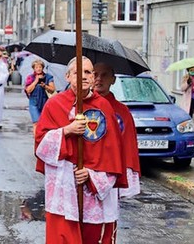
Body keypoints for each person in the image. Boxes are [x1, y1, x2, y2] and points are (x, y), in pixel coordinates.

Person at [35, 56, 126, 244]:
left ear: (93, 78)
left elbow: (113, 153)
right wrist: (67, 131)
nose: (83, 76)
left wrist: (91, 175)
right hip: (64, 186)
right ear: (68, 77)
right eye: (78, 72)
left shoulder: (104, 107)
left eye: (87, 72)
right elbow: (41, 145)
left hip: (92, 188)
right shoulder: (54, 104)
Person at [93, 62, 141, 199]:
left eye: (104, 75)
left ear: (113, 80)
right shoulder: (81, 106)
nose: (99, 79)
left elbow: (128, 144)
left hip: (112, 168)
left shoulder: (122, 111)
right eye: (95, 74)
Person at [24, 59, 56, 130]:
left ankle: (42, 139)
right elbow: (28, 90)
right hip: (34, 102)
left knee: (44, 123)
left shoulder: (48, 77)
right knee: (36, 123)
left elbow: (52, 89)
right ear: (34, 68)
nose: (38, 69)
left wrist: (45, 86)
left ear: (42, 67)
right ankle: (37, 140)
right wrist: (36, 81)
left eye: (40, 67)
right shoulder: (30, 77)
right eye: (36, 67)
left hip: (45, 102)